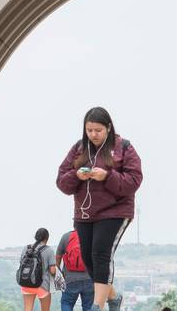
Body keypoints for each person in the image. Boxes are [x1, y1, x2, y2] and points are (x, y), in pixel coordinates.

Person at [55, 106, 144, 311]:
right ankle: (113, 297)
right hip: (85, 213)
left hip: (115, 211)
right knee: (88, 258)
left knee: (101, 254)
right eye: (89, 130)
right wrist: (76, 175)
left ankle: (97, 305)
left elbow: (134, 180)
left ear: (108, 128)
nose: (93, 134)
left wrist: (107, 176)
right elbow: (61, 181)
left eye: (98, 130)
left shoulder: (124, 147)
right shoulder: (79, 148)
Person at [18, 227, 57, 311]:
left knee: (27, 309)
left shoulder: (26, 248)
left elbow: (21, 264)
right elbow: (52, 270)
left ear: (35, 237)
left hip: (26, 283)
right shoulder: (49, 250)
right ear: (47, 238)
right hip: (42, 285)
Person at [57, 227, 94, 311]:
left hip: (70, 279)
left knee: (67, 303)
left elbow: (58, 256)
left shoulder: (66, 237)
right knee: (88, 306)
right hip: (89, 278)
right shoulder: (92, 236)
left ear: (74, 226)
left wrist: (59, 272)